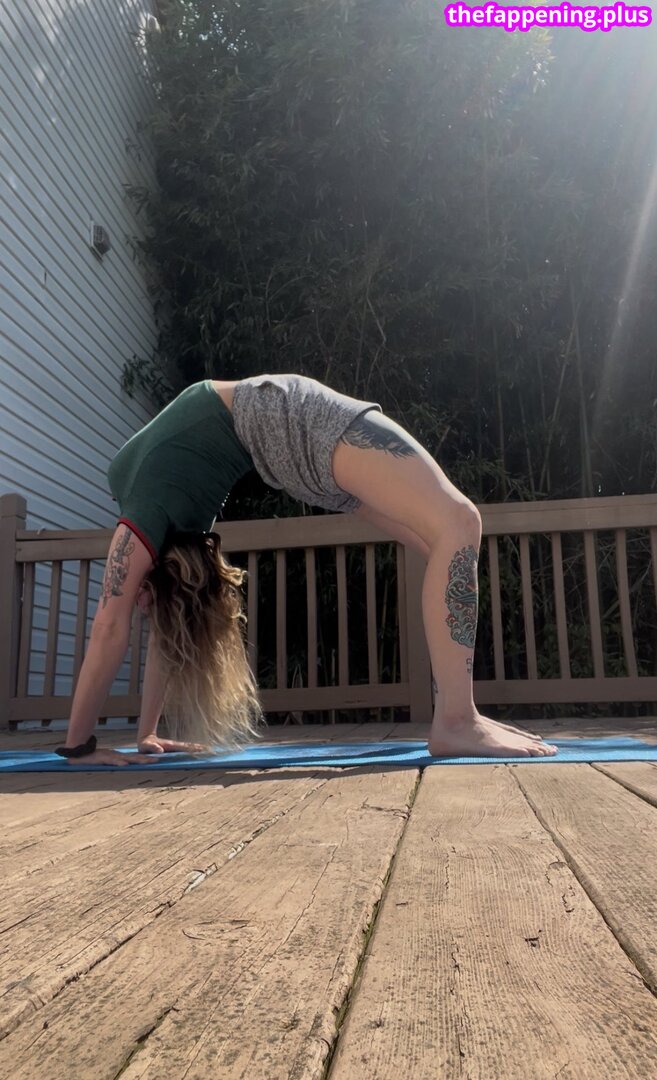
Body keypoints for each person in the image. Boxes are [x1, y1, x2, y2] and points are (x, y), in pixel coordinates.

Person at [57, 373, 557, 766]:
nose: (136, 604)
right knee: (459, 521)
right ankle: (457, 720)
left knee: (442, 539)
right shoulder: (155, 516)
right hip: (287, 426)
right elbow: (124, 628)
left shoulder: (149, 516)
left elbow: (128, 625)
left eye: (140, 599)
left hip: (282, 434)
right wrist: (86, 746)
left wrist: (129, 736)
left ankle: (457, 714)